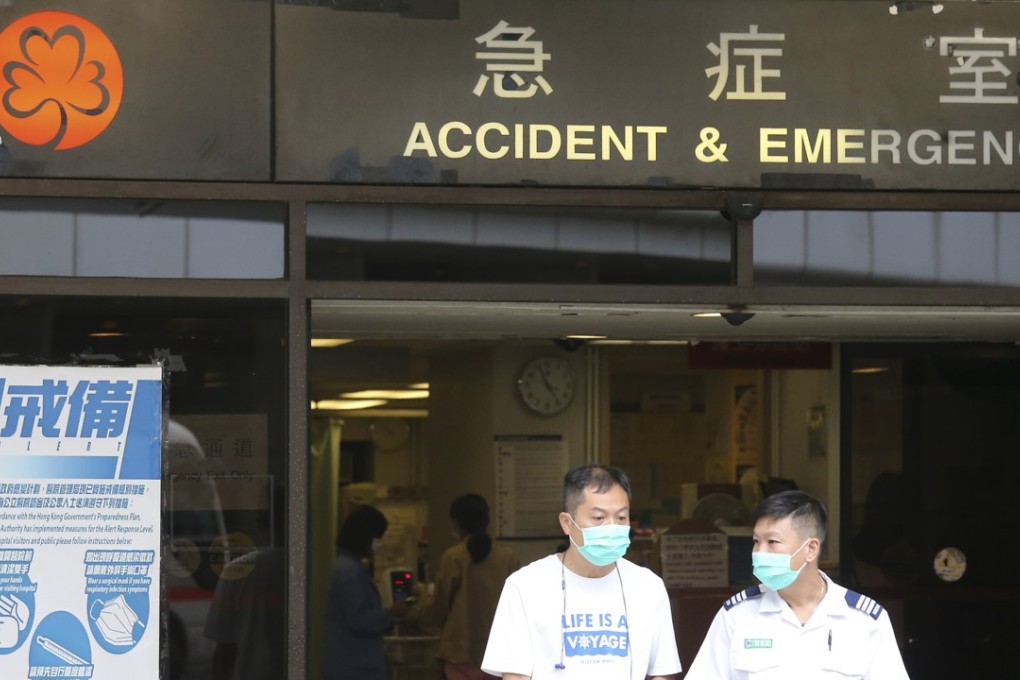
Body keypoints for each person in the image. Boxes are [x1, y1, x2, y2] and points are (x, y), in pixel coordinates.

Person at [481, 463, 682, 680]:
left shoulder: (648, 587)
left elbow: (662, 673)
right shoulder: (525, 586)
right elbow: (515, 675)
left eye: (621, 517)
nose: (611, 527)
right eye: (599, 518)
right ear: (567, 523)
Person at [684, 490, 910, 680]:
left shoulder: (864, 619)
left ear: (811, 549)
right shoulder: (737, 615)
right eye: (756, 541)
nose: (760, 552)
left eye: (772, 542)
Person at [421, 493, 520, 680]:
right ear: (487, 520)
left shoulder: (453, 556)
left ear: (456, 523)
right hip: (498, 652)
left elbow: (439, 605)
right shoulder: (508, 557)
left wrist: (423, 609)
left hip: (459, 652)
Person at [323, 505, 409, 680]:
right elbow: (358, 619)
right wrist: (390, 613)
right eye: (377, 538)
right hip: (355, 666)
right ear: (365, 536)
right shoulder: (350, 572)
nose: (379, 544)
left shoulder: (347, 567)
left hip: (352, 663)